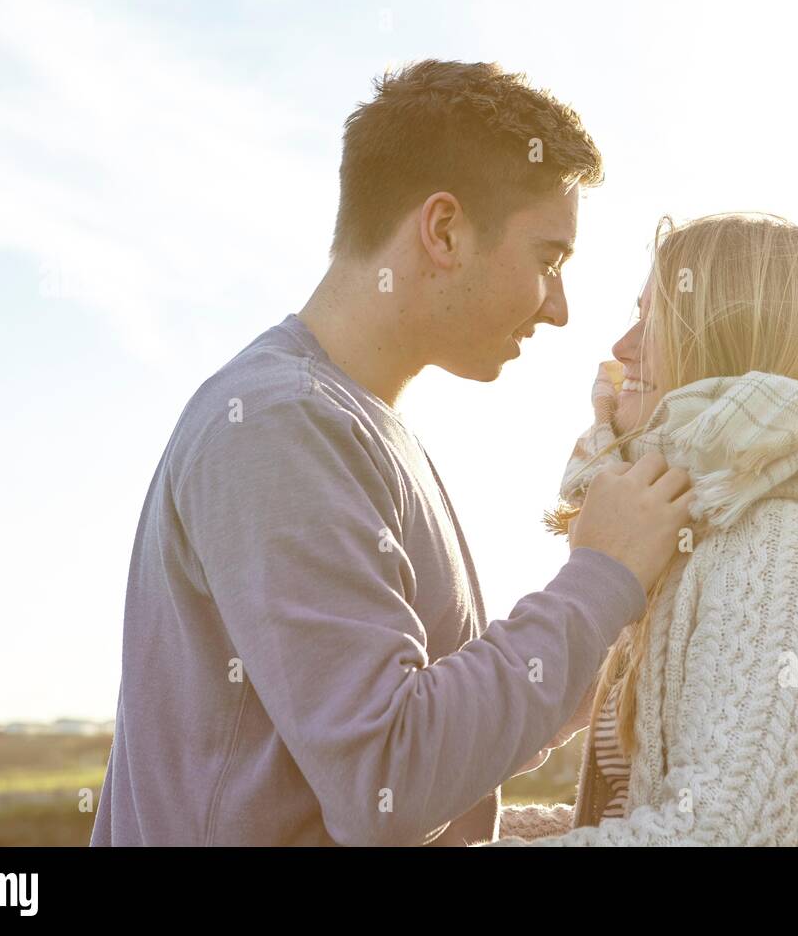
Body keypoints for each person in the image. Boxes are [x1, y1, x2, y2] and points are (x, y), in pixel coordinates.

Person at [89, 59, 693, 847]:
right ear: (443, 230)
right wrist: (596, 580)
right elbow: (388, 781)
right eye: (548, 260)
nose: (559, 307)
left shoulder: (355, 424)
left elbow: (418, 751)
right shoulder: (278, 427)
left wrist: (596, 655)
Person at [486, 213, 798, 845]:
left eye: (654, 324)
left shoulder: (785, 540)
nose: (623, 347)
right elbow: (644, 812)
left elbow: (718, 833)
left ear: (729, 341)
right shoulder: (692, 534)